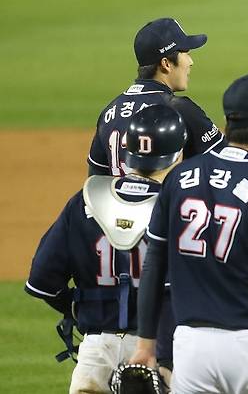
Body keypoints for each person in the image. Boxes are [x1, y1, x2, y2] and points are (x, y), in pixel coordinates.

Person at [129, 73, 248, 394]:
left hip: (192, 347)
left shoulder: (179, 178)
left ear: (228, 122)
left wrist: (146, 344)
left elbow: (153, 264)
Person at [25, 105, 186, 393]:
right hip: (160, 353)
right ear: (178, 156)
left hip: (96, 353)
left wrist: (81, 307)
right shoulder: (180, 210)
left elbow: (42, 281)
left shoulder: (84, 201)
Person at [88, 17, 224, 177]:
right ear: (166, 63)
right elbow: (226, 164)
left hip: (121, 199)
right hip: (162, 201)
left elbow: (95, 180)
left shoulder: (109, 113)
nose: (190, 61)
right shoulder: (180, 110)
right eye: (185, 53)